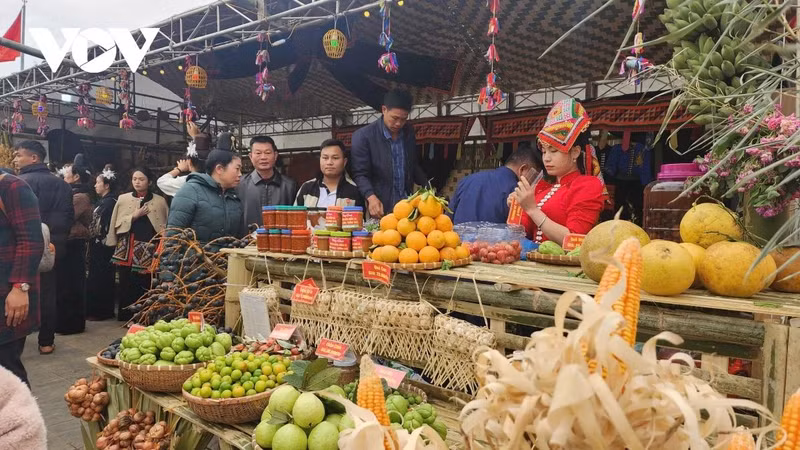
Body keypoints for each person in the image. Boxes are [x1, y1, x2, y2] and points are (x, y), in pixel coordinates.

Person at [514, 99, 606, 244]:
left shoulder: (587, 186)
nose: (546, 158)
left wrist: (532, 209)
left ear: (575, 152)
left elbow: (575, 240)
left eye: (554, 151)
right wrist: (517, 206)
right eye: (544, 152)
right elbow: (519, 233)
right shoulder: (541, 188)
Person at [13, 140, 72, 355]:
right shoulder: (63, 185)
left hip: (21, 247)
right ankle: (46, 341)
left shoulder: (17, 183)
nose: (16, 159)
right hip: (51, 247)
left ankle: (15, 341)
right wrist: (55, 242)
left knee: (17, 289)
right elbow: (67, 217)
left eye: (19, 155)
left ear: (34, 158)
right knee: (48, 294)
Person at [351, 89, 427, 218]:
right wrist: (371, 197)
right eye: (394, 118)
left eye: (403, 119)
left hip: (406, 207)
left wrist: (428, 188)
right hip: (379, 207)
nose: (398, 123)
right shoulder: (364, 136)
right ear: (384, 109)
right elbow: (360, 174)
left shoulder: (408, 132)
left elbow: (412, 165)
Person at [106, 168, 168, 321]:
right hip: (127, 246)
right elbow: (116, 223)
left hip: (149, 246)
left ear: (150, 182)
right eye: (134, 179)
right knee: (126, 281)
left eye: (141, 179)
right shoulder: (123, 199)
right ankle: (126, 315)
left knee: (146, 281)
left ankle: (145, 315)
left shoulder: (160, 201)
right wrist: (133, 216)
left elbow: (165, 225)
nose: (137, 182)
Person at [0, 171, 44, 385]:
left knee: (8, 371)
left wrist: (20, 286)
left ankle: (21, 418)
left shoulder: (12, 187)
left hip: (7, 295)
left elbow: (31, 241)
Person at [450, 143, 540, 224]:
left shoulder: (466, 180)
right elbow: (518, 231)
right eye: (534, 176)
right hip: (492, 242)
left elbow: (448, 217)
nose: (533, 183)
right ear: (523, 169)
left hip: (457, 241)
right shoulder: (515, 192)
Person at [167, 150, 245, 242]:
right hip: (196, 255)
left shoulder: (233, 195)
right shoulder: (190, 191)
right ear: (219, 169)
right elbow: (173, 236)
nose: (240, 174)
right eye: (237, 169)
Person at [58, 157, 93, 335]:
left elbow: (66, 216)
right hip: (69, 242)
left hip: (74, 242)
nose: (64, 176)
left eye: (67, 174)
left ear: (76, 177)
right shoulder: (72, 193)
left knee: (72, 284)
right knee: (66, 283)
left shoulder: (79, 197)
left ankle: (72, 323)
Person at [237, 136, 297, 227]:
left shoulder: (289, 186)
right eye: (258, 153)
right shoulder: (240, 184)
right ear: (250, 156)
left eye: (267, 153)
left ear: (275, 155)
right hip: (248, 240)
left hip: (279, 239)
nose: (263, 157)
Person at [86, 168, 118, 321]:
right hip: (97, 245)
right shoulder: (104, 201)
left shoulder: (110, 202)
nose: (95, 186)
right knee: (97, 276)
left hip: (103, 245)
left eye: (98, 183)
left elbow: (101, 225)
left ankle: (102, 311)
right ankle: (97, 309)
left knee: (102, 277)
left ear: (107, 185)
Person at [295, 139, 365, 209]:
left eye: (335, 158)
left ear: (344, 162)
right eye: (325, 158)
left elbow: (364, 219)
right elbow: (294, 216)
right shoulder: (306, 188)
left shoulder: (354, 191)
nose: (329, 162)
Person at [157, 122, 209, 197]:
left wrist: (179, 169)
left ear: (189, 162)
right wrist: (198, 138)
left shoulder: (186, 181)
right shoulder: (215, 180)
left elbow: (161, 182)